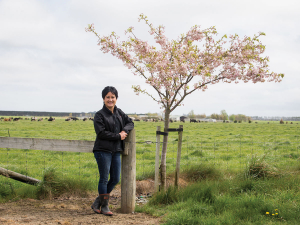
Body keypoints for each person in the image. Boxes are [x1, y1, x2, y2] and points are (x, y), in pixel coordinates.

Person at [91, 86, 134, 216]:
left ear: (116, 98)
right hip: (102, 150)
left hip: (115, 150)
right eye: (107, 97)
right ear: (103, 99)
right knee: (104, 179)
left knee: (115, 178)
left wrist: (124, 131)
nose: (110, 99)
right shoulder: (99, 115)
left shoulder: (119, 112)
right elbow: (101, 133)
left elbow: (130, 122)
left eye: (112, 97)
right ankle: (105, 206)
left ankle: (98, 201)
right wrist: (118, 136)